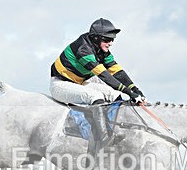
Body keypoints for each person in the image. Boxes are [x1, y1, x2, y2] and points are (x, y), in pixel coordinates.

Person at [50, 18, 145, 147]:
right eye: (107, 39)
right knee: (96, 96)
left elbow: (117, 72)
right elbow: (104, 75)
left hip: (79, 83)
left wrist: (135, 90)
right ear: (96, 38)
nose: (110, 43)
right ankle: (103, 138)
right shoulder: (83, 49)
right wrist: (129, 92)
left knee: (113, 94)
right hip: (60, 84)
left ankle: (114, 130)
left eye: (112, 39)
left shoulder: (101, 51)